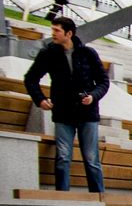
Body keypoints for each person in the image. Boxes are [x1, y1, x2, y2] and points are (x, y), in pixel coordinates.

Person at [23, 16, 109, 193]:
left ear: (68, 33)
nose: (52, 33)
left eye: (57, 30)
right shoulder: (48, 53)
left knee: (92, 159)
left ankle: (99, 198)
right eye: (52, 29)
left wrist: (93, 96)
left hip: (87, 113)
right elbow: (30, 79)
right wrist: (40, 99)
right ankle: (62, 197)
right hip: (63, 113)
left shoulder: (88, 53)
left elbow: (103, 82)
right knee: (62, 157)